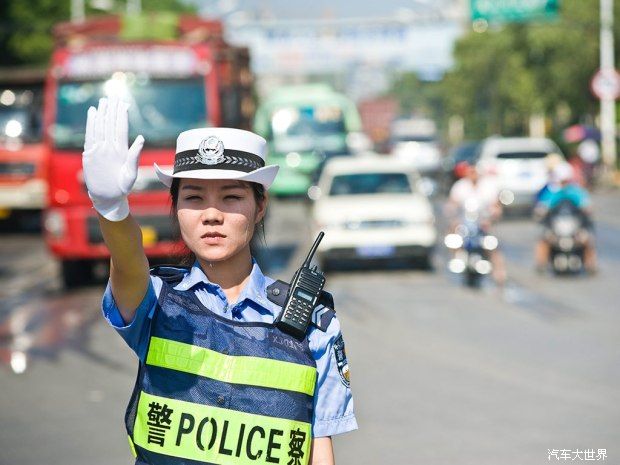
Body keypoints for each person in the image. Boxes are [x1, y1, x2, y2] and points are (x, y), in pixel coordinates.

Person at [82, 97, 357, 465]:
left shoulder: (314, 323)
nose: (212, 215)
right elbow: (129, 262)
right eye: (194, 197)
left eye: (231, 197)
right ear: (175, 207)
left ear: (260, 207)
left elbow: (318, 450)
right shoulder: (158, 300)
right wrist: (113, 210)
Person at [445, 162, 507, 286]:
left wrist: (492, 216)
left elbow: (496, 205)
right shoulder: (460, 186)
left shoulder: (488, 186)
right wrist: (452, 213)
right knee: (452, 237)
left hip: (483, 222)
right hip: (464, 222)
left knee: (492, 245)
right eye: (470, 171)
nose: (473, 174)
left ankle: (499, 273)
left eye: (475, 172)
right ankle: (457, 258)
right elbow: (452, 203)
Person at [534, 162, 598, 273]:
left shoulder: (576, 191)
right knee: (544, 240)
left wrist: (587, 209)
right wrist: (541, 211)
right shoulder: (553, 192)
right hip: (556, 227)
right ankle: (541, 264)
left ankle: (591, 265)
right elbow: (542, 206)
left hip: (575, 227)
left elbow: (586, 204)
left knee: (587, 240)